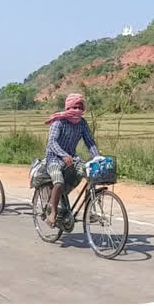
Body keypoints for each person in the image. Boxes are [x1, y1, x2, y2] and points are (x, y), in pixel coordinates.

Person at [43, 93, 101, 227]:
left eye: (80, 107)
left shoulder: (82, 123)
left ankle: (89, 211)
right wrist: (62, 154)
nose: (77, 110)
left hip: (72, 158)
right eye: (74, 107)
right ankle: (53, 211)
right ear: (68, 107)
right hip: (54, 158)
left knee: (90, 174)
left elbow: (90, 142)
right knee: (58, 182)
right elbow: (51, 142)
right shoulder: (58, 122)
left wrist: (96, 156)